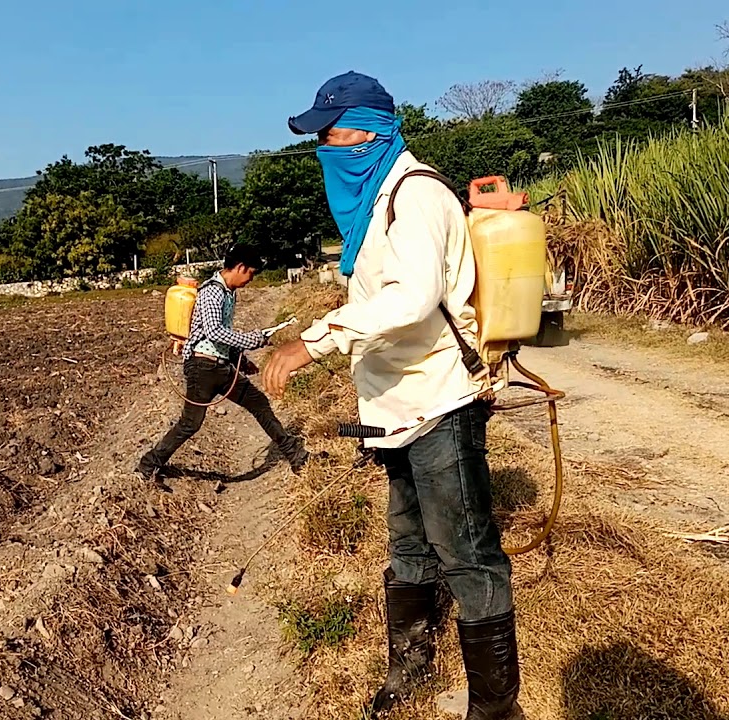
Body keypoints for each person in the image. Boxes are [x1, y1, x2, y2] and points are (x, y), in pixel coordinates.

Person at [262, 72, 521, 719]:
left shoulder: (416, 194)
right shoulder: (376, 203)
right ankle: (409, 669)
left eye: (333, 134)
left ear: (371, 132)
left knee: (466, 554)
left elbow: (410, 300)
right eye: (320, 137)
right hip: (393, 406)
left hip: (440, 399)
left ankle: (495, 708)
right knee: (408, 544)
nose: (325, 147)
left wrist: (314, 342)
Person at [138, 245, 308, 492]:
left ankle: (295, 456)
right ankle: (148, 465)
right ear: (240, 267)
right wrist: (251, 340)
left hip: (220, 367)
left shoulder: (229, 293)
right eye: (251, 273)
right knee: (190, 423)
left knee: (258, 403)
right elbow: (214, 331)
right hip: (203, 368)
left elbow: (222, 335)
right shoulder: (212, 292)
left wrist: (240, 358)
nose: (251, 279)